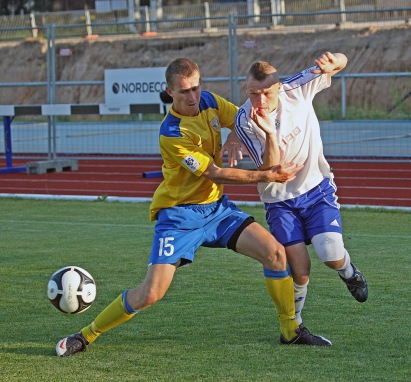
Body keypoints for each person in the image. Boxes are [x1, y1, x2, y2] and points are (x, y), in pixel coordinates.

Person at [56, 57, 332, 357]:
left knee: (276, 254)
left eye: (196, 88)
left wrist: (233, 138)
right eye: (184, 91)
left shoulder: (210, 102)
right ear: (170, 92)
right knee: (151, 293)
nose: (192, 96)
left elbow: (243, 117)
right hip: (179, 217)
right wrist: (266, 175)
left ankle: (291, 331)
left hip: (217, 210)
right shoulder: (172, 132)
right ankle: (86, 335)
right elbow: (214, 172)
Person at [233, 52, 368, 327]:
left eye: (266, 93)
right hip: (279, 200)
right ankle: (294, 325)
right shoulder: (245, 119)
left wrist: (335, 63)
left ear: (279, 87)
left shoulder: (297, 87)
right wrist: (270, 133)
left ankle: (348, 272)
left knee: (330, 254)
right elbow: (270, 168)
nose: (259, 100)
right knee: (300, 271)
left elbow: (341, 61)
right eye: (253, 93)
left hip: (316, 186)